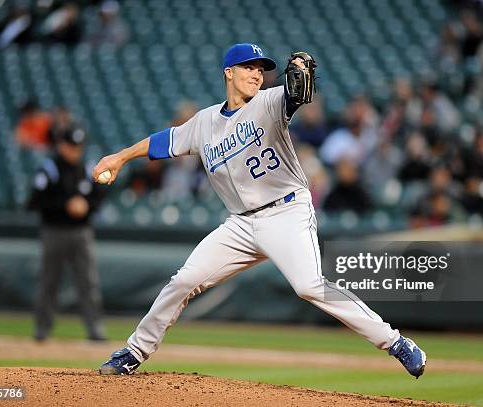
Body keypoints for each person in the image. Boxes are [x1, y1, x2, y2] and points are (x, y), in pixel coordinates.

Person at [93, 43, 426, 378]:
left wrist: (300, 77)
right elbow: (164, 141)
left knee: (309, 286)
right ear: (229, 72)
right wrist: (119, 157)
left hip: (286, 213)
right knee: (184, 280)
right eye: (248, 67)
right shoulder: (204, 122)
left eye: (260, 68)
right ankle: (134, 352)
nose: (256, 74)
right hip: (240, 223)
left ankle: (396, 343)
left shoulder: (269, 102)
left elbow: (294, 97)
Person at [27, 128, 106, 342]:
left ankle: (95, 329)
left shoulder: (87, 169)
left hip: (82, 232)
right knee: (49, 281)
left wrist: (86, 205)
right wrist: (66, 205)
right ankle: (42, 328)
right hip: (54, 231)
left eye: (78, 147)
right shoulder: (49, 169)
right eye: (71, 146)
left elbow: (99, 198)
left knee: (88, 282)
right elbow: (34, 202)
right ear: (62, 145)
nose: (75, 151)